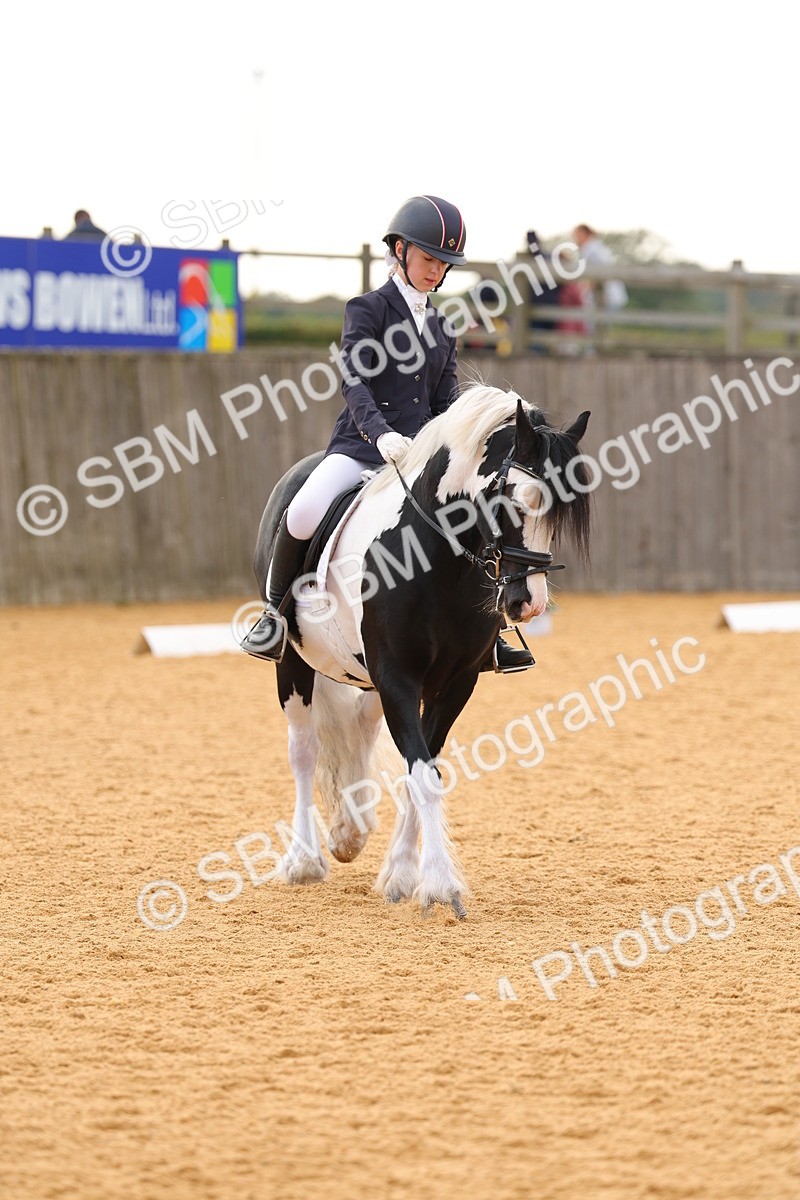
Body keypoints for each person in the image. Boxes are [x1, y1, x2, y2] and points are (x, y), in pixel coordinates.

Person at [242, 194, 534, 672]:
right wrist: (378, 435)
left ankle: (491, 633)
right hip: (362, 448)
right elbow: (354, 381)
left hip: (418, 459)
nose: (435, 272)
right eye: (428, 259)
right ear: (400, 250)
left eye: (444, 265)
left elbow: (444, 401)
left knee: (477, 514)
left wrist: (462, 435)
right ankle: (274, 616)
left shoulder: (442, 326)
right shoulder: (368, 309)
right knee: (303, 510)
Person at [571, 224, 628, 329]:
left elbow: (596, 275)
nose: (575, 238)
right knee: (597, 329)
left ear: (584, 233)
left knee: (594, 330)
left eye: (576, 234)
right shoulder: (596, 247)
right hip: (608, 296)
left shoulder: (591, 249)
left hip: (606, 297)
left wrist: (579, 291)